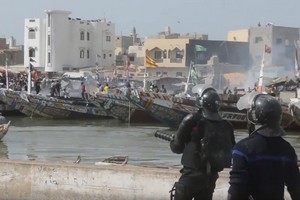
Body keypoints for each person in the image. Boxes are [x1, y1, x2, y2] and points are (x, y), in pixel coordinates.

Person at [228, 93, 300, 200]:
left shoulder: (242, 149)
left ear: (254, 117)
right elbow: (295, 188)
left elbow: (236, 190)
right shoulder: (287, 149)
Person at [169, 85, 235, 200]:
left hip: (191, 175)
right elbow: (232, 148)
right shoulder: (227, 125)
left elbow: (176, 148)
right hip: (211, 177)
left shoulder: (192, 119)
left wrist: (173, 141)